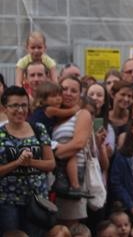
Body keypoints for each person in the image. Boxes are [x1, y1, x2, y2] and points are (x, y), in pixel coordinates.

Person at [0, 85, 56, 235]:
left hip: (36, 201)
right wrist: (17, 163)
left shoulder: (38, 128)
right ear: (5, 108)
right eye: (15, 105)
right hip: (7, 202)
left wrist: (30, 162)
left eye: (24, 105)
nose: (20, 110)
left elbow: (51, 163)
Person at [52, 75, 95, 225]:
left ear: (80, 95)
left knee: (69, 224)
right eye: (64, 89)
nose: (68, 93)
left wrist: (53, 154)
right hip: (54, 173)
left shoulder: (83, 114)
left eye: (74, 91)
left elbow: (79, 143)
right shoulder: (54, 115)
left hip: (73, 175)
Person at [27, 81, 82, 197]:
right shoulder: (49, 109)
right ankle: (75, 185)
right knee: (70, 153)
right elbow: (69, 112)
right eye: (53, 96)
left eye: (59, 95)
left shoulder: (41, 110)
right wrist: (78, 106)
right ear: (43, 99)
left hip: (41, 142)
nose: (58, 99)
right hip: (41, 141)